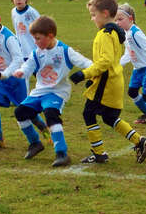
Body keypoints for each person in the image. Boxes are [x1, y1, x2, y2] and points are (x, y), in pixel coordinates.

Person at [70, 0, 146, 164]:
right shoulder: (115, 33)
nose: (92, 19)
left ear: (105, 13)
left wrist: (84, 74)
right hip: (114, 82)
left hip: (106, 85)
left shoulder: (106, 34)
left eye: (94, 15)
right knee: (109, 117)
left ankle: (99, 153)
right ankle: (139, 141)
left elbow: (105, 62)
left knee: (88, 113)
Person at [11, 16, 93, 167]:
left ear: (50, 36)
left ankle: (62, 153)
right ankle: (35, 143)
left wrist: (92, 72)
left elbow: (86, 63)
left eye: (38, 39)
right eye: (33, 39)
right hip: (39, 91)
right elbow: (28, 65)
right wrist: (21, 71)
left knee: (50, 113)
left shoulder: (65, 51)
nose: (35, 42)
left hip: (57, 92)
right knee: (20, 112)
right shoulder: (37, 52)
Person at [0, 4, 50, 150]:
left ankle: (43, 130)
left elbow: (18, 60)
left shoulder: (9, 38)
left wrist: (6, 74)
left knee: (25, 111)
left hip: (15, 79)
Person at [9, 0, 40, 72]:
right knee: (23, 72)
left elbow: (42, 24)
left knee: (37, 71)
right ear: (12, 0)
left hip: (34, 47)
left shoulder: (31, 12)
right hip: (22, 48)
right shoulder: (13, 12)